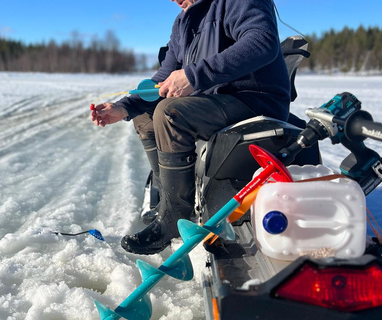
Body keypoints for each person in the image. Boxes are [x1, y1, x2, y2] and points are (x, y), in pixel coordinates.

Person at [90, 0, 291, 255]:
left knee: (169, 113)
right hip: (214, 102)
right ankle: (169, 201)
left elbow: (262, 42)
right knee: (144, 117)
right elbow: (163, 77)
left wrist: (194, 76)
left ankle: (174, 220)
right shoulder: (183, 21)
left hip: (254, 101)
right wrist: (124, 107)